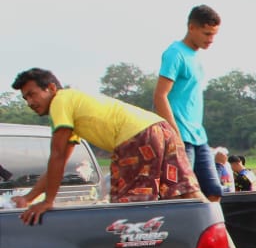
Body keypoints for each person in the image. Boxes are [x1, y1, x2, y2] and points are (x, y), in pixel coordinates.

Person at [11, 68, 204, 225]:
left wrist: (47, 202)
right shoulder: (74, 105)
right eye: (25, 98)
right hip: (160, 128)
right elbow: (59, 164)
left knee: (130, 213)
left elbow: (57, 156)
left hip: (135, 137)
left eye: (32, 94)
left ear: (51, 88)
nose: (29, 102)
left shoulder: (60, 101)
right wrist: (28, 198)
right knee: (185, 194)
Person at [153, 5, 223, 204]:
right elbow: (160, 96)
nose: (210, 40)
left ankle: (210, 233)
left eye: (214, 35)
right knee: (182, 193)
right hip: (181, 135)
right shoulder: (175, 53)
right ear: (192, 27)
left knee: (213, 190)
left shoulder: (195, 56)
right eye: (206, 34)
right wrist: (175, 135)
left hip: (198, 136)